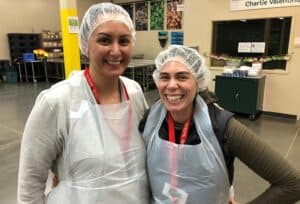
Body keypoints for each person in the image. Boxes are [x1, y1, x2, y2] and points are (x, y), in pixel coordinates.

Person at [18, 3, 149, 204]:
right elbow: (29, 186)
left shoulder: (135, 92)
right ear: (86, 44)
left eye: (124, 41)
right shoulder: (57, 101)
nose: (115, 51)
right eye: (104, 40)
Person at [139, 45, 300, 204]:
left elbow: (293, 184)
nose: (172, 85)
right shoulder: (150, 120)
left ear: (198, 81)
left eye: (182, 77)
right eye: (165, 77)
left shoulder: (222, 127)